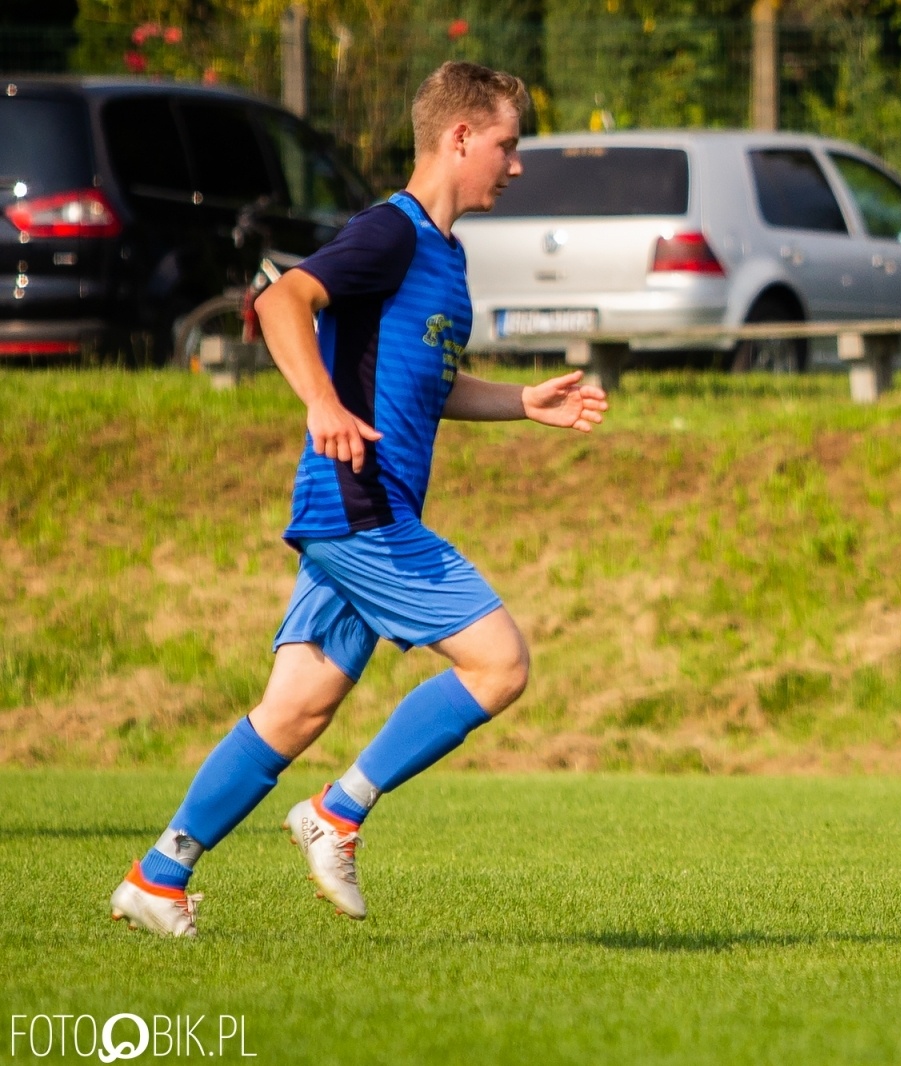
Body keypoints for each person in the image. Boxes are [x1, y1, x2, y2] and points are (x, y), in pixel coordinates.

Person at [108, 62, 609, 937]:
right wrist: (321, 403)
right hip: (360, 506)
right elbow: (283, 300)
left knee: (296, 709)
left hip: (358, 510)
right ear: (460, 138)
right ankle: (337, 813)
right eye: (507, 144)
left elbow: (420, 382)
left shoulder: (444, 255)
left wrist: (521, 403)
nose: (516, 164)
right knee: (499, 664)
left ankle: (159, 876)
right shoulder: (391, 232)